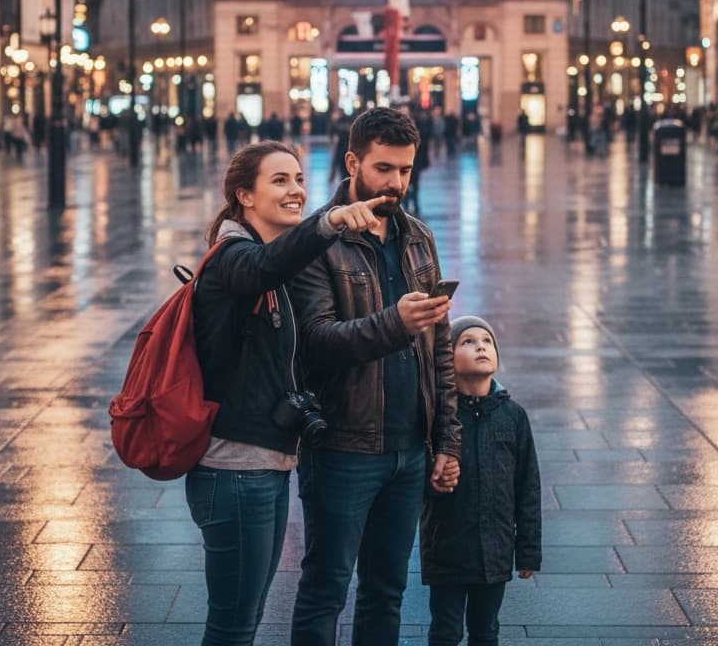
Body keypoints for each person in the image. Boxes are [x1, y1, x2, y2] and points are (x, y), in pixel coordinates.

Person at [188, 140, 389, 646]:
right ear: (244, 196)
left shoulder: (267, 264)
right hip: (234, 469)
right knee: (233, 626)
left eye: (299, 179)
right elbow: (264, 268)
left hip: (266, 465)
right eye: (279, 180)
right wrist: (333, 222)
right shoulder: (233, 259)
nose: (296, 190)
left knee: (246, 616)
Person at [290, 106, 462, 646]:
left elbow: (440, 349)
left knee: (386, 591)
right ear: (353, 162)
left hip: (409, 450)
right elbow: (315, 343)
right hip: (344, 447)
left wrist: (447, 442)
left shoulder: (418, 239)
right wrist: (394, 323)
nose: (395, 183)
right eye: (384, 168)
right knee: (326, 589)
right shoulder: (318, 239)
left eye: (405, 170)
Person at [421, 316, 542, 646]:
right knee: (446, 630)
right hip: (446, 546)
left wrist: (528, 550)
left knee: (486, 630)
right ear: (447, 359)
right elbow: (417, 476)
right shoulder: (437, 415)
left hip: (495, 548)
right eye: (468, 342)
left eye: (487, 342)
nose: (481, 347)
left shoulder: (513, 416)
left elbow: (527, 485)